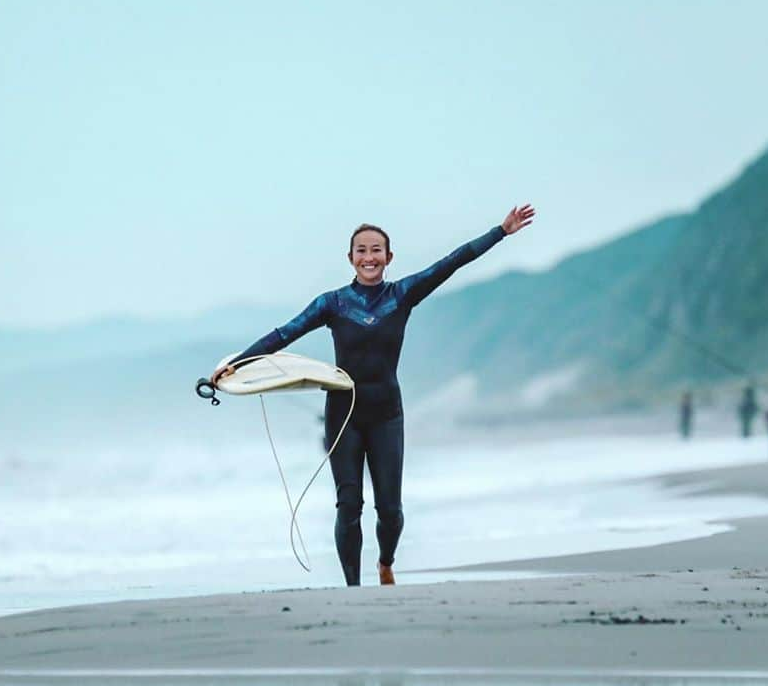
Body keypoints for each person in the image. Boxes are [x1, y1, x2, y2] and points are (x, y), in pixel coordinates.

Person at [211, 205, 535, 586]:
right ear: (350, 258)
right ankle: (353, 589)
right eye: (361, 250)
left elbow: (452, 262)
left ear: (388, 257)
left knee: (390, 510)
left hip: (386, 415)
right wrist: (237, 365)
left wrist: (500, 231)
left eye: (376, 250)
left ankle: (385, 562)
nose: (369, 257)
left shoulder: (402, 295)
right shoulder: (331, 304)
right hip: (343, 414)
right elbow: (284, 335)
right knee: (349, 505)